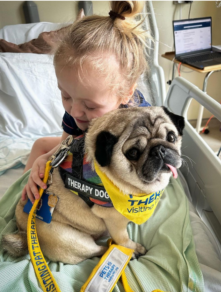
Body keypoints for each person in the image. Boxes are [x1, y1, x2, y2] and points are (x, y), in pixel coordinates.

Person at [22, 0, 151, 203]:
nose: (74, 111)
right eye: (65, 96)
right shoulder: (77, 109)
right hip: (83, 149)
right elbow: (67, 143)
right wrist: (45, 159)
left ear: (126, 93)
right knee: (41, 146)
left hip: (109, 163)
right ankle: (26, 194)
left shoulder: (140, 122)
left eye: (90, 106)